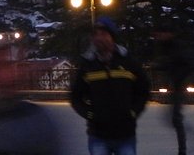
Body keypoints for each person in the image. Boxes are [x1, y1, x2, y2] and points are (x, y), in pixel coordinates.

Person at [71, 16, 150, 155]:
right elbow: (75, 96)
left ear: (112, 37)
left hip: (125, 134)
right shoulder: (88, 64)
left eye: (103, 34)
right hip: (98, 135)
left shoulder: (128, 62)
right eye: (95, 35)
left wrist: (133, 111)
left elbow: (143, 90)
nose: (98, 38)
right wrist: (89, 114)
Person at [153, 22, 193, 155]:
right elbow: (170, 63)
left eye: (160, 34)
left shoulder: (177, 46)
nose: (158, 37)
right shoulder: (165, 46)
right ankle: (182, 149)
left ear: (168, 34)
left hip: (180, 84)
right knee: (175, 119)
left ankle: (182, 150)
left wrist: (178, 75)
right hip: (175, 84)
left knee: (176, 118)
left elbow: (185, 62)